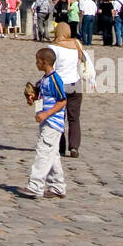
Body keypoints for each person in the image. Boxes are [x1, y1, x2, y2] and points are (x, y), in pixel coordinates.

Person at [18, 47, 68, 199]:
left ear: (45, 62)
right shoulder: (43, 80)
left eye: (37, 61)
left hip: (53, 122)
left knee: (43, 152)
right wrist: (32, 97)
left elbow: (62, 101)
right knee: (52, 154)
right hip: (46, 121)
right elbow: (39, 94)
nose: (36, 63)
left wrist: (46, 113)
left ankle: (36, 185)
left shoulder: (55, 79)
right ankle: (57, 186)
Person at [51, 23, 84, 158]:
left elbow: (50, 68)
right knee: (74, 118)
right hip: (75, 84)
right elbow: (81, 61)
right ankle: (74, 147)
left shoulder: (53, 47)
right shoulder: (77, 44)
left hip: (59, 85)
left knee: (58, 117)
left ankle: (60, 147)